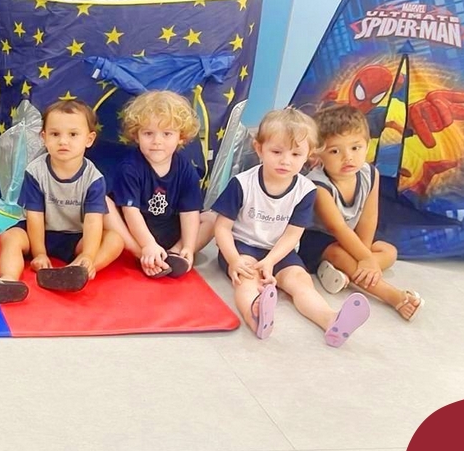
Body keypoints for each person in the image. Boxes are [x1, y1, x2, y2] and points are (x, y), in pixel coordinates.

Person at [211, 108, 371, 344]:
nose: (285, 161)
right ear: (259, 149)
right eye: (277, 152)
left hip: (281, 251)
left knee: (301, 282)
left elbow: (293, 234)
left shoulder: (306, 190)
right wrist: (234, 260)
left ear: (309, 156)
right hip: (243, 247)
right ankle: (255, 314)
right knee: (247, 281)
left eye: (296, 154)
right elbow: (222, 228)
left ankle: (331, 321)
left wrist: (271, 261)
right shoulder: (242, 184)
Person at [0, 100, 124, 303]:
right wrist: (40, 253)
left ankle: (79, 270)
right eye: (55, 134)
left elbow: (93, 221)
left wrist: (88, 254)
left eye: (73, 134)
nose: (63, 141)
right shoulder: (35, 171)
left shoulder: (93, 178)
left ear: (89, 139)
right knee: (10, 237)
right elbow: (35, 216)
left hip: (75, 236)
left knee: (115, 239)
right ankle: (7, 280)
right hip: (39, 231)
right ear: (44, 137)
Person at [303, 104, 422, 319]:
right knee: (339, 253)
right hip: (317, 240)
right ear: (319, 153)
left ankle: (344, 272)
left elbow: (369, 217)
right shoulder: (318, 185)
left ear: (367, 146)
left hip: (351, 237)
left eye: (355, 148)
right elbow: (337, 227)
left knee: (389, 251)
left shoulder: (370, 174)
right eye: (335, 151)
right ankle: (393, 296)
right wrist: (365, 258)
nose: (347, 157)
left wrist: (365, 256)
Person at [108, 91, 203, 278]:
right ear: (136, 136)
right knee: (102, 203)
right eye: (148, 133)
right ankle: (143, 255)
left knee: (211, 219)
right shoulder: (130, 168)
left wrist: (188, 246)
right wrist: (147, 245)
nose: (157, 141)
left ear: (181, 137)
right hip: (136, 234)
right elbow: (130, 212)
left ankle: (176, 254)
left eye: (167, 133)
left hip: (171, 231)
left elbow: (190, 211)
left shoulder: (185, 168)